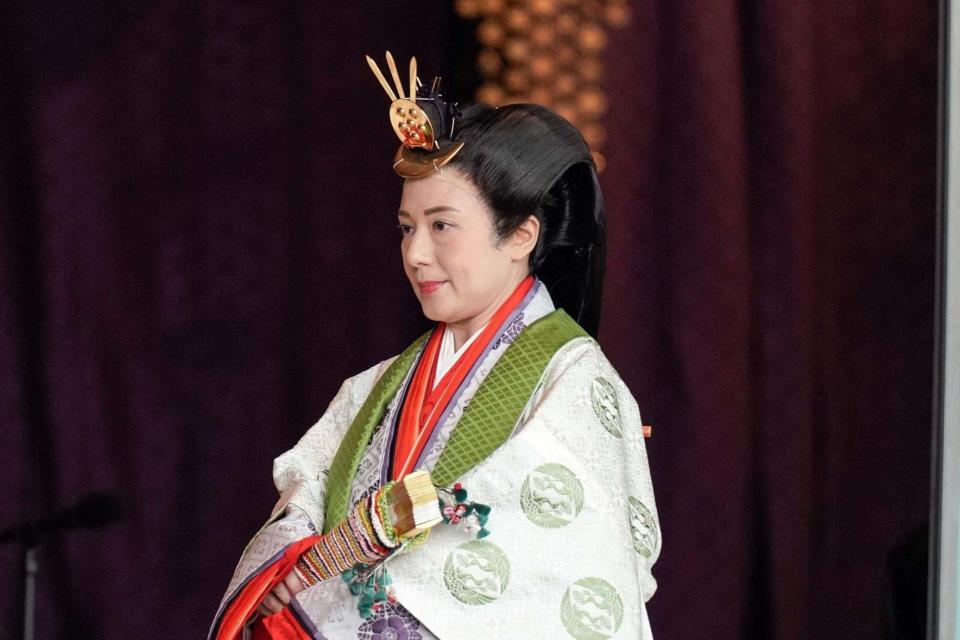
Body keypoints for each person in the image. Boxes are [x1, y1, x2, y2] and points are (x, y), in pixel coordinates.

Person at [209, 53, 661, 640]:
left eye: (442, 225)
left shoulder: (573, 381)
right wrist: (292, 563)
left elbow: (567, 562)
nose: (417, 253)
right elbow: (305, 497)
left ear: (522, 234)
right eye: (406, 227)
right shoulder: (373, 388)